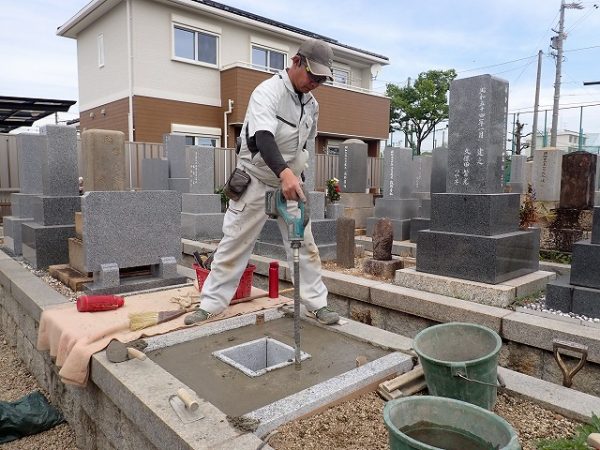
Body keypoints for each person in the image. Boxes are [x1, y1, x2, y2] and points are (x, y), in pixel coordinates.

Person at [185, 38, 339, 326]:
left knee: (304, 244)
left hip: (288, 181)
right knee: (234, 242)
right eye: (312, 76)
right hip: (255, 178)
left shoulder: (312, 105)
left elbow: (304, 145)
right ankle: (211, 305)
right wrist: (285, 173)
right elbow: (262, 138)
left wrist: (296, 175)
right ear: (296, 62)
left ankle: (317, 305)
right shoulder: (267, 92)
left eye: (321, 80)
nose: (315, 83)